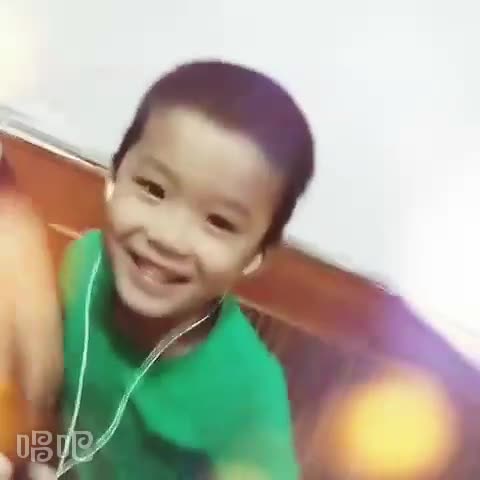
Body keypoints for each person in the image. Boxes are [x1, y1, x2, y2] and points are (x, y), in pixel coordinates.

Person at [13, 60, 315, 479]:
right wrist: (29, 458)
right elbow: (46, 397)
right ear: (114, 178)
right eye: (153, 189)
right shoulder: (85, 262)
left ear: (255, 254)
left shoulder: (249, 393)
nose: (168, 237)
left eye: (219, 222)